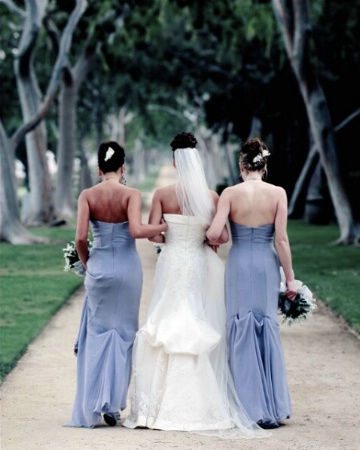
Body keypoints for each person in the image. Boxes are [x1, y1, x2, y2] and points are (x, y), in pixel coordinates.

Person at [122, 132, 269, 439]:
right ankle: (202, 403)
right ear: (197, 161)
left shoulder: (163, 194)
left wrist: (170, 233)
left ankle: (157, 407)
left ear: (176, 161)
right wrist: (202, 236)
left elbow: (153, 235)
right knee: (194, 319)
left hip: (173, 260)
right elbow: (222, 236)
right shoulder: (212, 197)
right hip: (199, 263)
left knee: (167, 319)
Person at [66, 141, 167, 428]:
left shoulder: (87, 195)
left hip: (99, 270)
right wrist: (164, 226)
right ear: (122, 168)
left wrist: (88, 264)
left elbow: (81, 240)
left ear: (99, 170)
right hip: (127, 269)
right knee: (124, 335)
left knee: (97, 335)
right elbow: (137, 230)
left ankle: (94, 403)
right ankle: (113, 404)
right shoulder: (131, 194)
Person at [206, 137, 297, 429]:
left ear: (241, 165)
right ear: (265, 164)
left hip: (239, 263)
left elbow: (215, 233)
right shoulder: (278, 193)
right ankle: (272, 405)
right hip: (266, 266)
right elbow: (281, 240)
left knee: (240, 326)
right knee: (265, 325)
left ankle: (246, 404)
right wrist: (290, 278)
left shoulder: (230, 193)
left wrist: (216, 239)